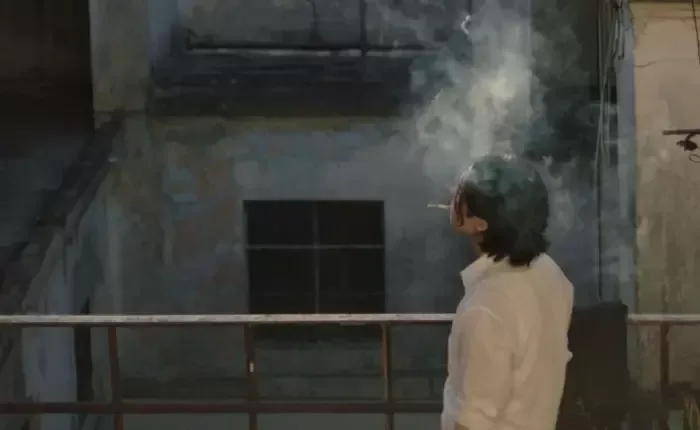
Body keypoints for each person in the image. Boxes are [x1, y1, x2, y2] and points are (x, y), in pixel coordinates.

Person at [442, 154, 574, 430]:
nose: (453, 190)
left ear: (481, 223)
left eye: (463, 188)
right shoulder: (548, 272)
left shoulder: (487, 306)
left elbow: (474, 422)